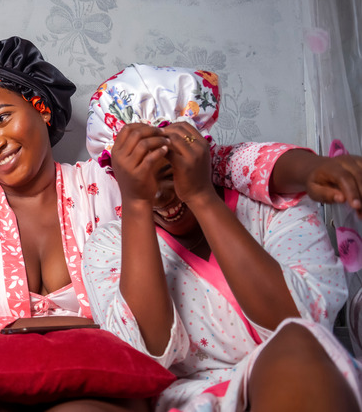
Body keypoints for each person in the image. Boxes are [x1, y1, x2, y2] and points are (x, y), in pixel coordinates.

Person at [0, 33, 362, 410]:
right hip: (0, 382)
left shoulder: (108, 183)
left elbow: (227, 162)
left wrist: (310, 168)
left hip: (106, 384)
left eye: (2, 118)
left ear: (39, 106)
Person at [81, 63, 361, 411]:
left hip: (299, 380)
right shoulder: (108, 245)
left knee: (297, 346)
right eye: (140, 185)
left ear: (200, 157)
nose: (161, 198)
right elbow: (142, 354)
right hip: (190, 401)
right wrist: (135, 203)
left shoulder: (269, 210)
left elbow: (300, 322)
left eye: (169, 174)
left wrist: (200, 196)